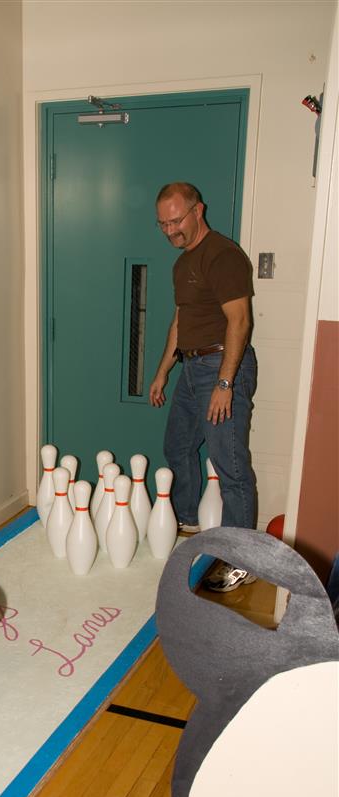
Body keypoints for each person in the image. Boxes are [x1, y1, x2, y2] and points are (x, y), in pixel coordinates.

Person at [148, 181, 258, 593]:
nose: (169, 231)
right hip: (192, 368)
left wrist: (225, 383)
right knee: (177, 446)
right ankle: (190, 520)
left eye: (176, 221)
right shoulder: (183, 264)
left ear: (198, 210)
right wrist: (163, 371)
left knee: (231, 466)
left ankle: (241, 561)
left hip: (222, 367)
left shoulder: (223, 255)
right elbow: (180, 322)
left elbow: (240, 321)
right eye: (162, 224)